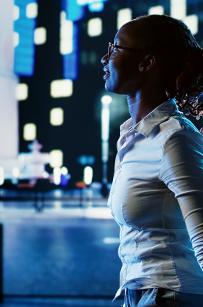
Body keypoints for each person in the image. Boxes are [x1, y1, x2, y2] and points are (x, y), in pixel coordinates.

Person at [101, 14, 203, 307]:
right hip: (138, 293)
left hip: (170, 294)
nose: (105, 58)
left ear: (147, 62)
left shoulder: (174, 137)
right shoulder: (131, 136)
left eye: (116, 48)